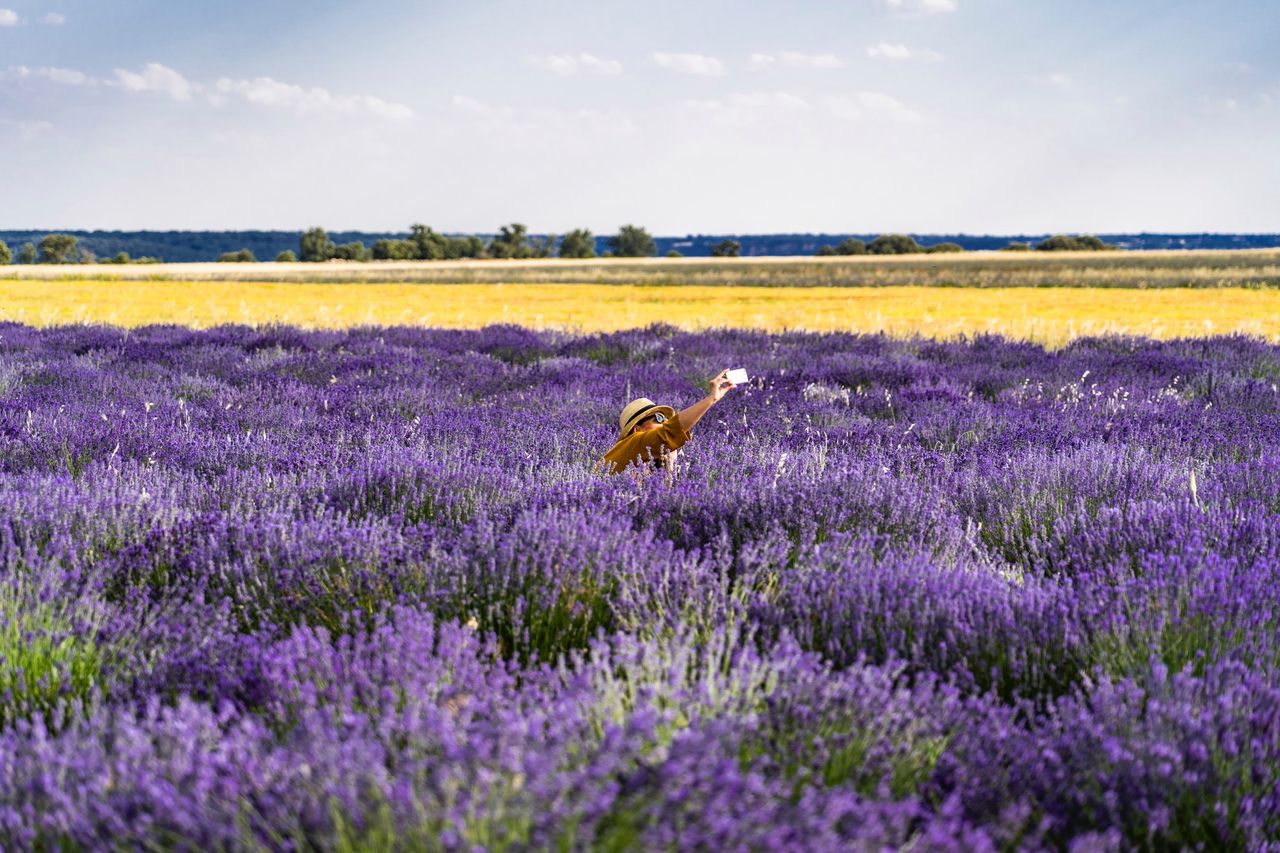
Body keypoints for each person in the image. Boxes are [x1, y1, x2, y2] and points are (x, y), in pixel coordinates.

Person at [599, 369, 737, 476]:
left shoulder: (649, 461)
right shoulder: (632, 444)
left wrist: (670, 462)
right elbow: (669, 432)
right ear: (637, 430)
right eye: (658, 418)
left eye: (666, 419)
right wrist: (711, 398)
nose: (665, 421)